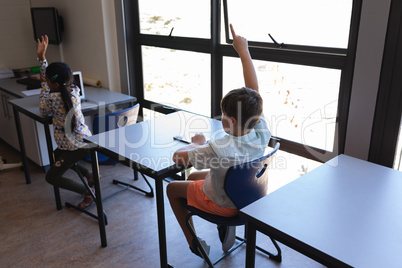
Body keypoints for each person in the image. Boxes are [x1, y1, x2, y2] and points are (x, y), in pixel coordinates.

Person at [166, 24, 271, 258]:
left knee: (173, 188)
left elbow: (179, 159)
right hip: (250, 196)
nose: (220, 116)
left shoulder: (218, 148)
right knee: (194, 178)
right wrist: (243, 51)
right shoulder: (260, 129)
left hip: (226, 205)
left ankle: (194, 241)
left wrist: (196, 142)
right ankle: (225, 228)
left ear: (231, 120)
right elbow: (254, 90)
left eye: (223, 114)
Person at [37, 35, 94, 209]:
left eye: (46, 79)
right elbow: (53, 81)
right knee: (56, 156)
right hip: (85, 141)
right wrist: (42, 59)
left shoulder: (52, 98)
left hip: (73, 147)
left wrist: (44, 87)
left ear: (52, 83)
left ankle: (87, 193)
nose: (45, 80)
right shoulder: (74, 90)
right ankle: (89, 174)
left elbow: (43, 109)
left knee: (51, 177)